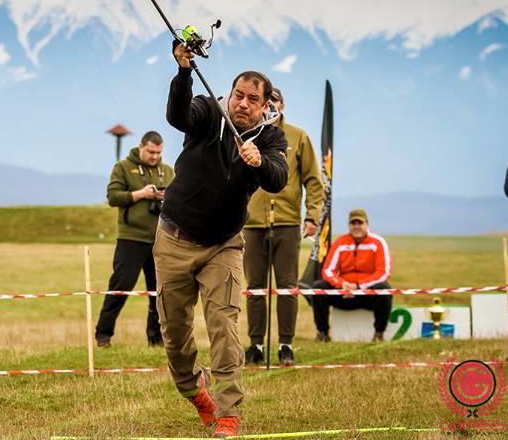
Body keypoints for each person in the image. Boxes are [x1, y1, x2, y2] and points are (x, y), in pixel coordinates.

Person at [154, 41, 288, 439]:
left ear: (265, 106)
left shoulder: (270, 139)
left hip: (224, 246)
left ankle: (228, 414)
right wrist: (182, 72)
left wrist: (259, 161)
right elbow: (178, 116)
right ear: (229, 95)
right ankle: (194, 391)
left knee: (224, 328)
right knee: (175, 335)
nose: (243, 104)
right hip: (174, 237)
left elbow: (277, 178)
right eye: (238, 95)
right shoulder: (209, 112)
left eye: (253, 99)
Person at [242, 87, 324, 367]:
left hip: (288, 224)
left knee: (287, 287)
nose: (272, 106)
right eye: (268, 102)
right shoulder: (249, 133)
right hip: (251, 224)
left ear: (283, 105)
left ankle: (286, 345)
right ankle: (255, 346)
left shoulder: (298, 136)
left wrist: (312, 216)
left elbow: (314, 180)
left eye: (275, 101)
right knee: (254, 288)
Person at [96, 131, 175, 348]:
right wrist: (141, 194)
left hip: (160, 239)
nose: (154, 156)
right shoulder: (123, 167)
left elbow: (179, 198)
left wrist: (165, 196)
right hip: (131, 239)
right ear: (141, 146)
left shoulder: (167, 171)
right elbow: (112, 197)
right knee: (120, 286)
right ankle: (103, 335)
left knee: (158, 292)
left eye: (158, 152)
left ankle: (156, 338)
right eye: (150, 151)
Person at [310, 209, 393, 342]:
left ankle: (379, 334)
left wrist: (359, 286)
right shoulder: (340, 242)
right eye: (353, 223)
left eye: (360, 223)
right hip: (344, 294)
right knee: (318, 286)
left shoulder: (378, 243)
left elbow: (383, 273)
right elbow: (328, 270)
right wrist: (341, 284)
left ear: (367, 224)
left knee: (384, 288)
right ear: (349, 225)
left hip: (367, 295)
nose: (356, 227)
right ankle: (322, 333)